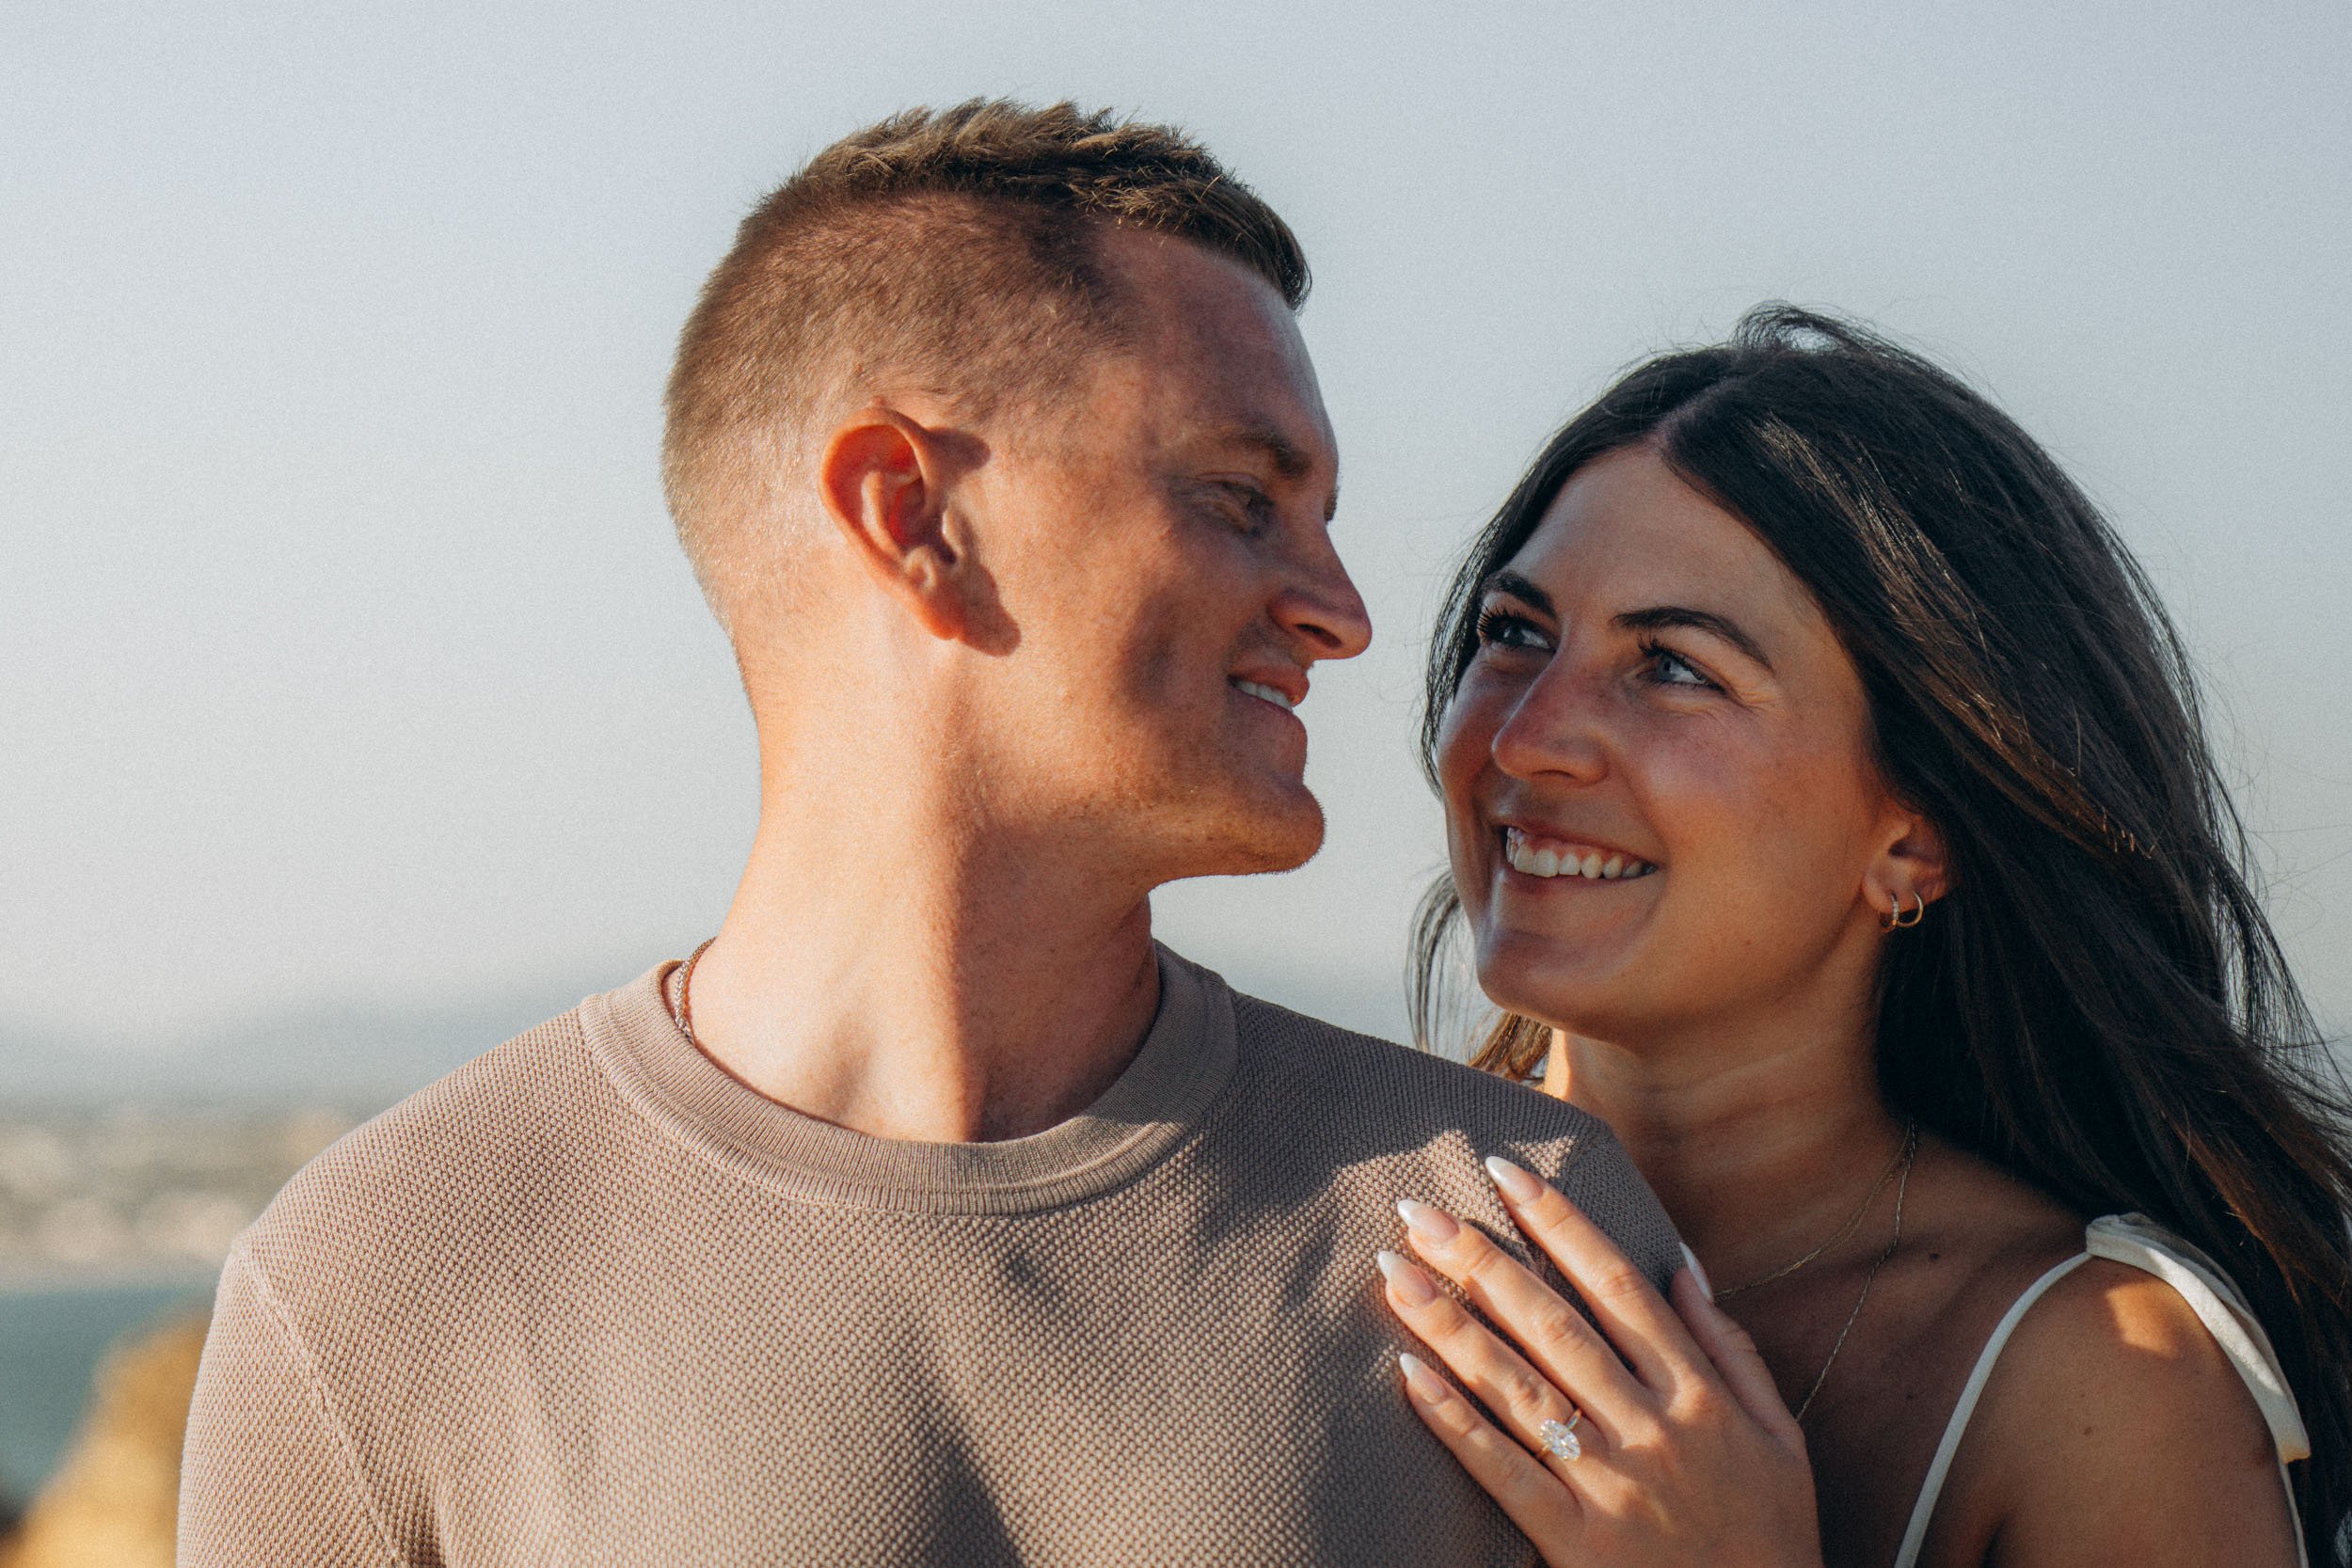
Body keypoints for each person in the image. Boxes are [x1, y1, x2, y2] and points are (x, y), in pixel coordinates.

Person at [175, 101, 1687, 1565]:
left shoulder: (1511, 1238)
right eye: (1242, 499)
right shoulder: (378, 1293)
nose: (1342, 615)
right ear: (910, 516)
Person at [1377, 308, 2352, 1566]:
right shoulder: (1317, 1208)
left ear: (1915, 835)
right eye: (1513, 635)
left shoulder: (2100, 1378)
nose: (1523, 740)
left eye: (1673, 665)